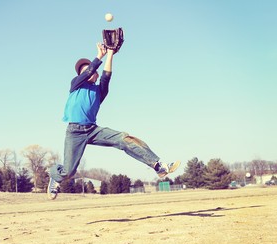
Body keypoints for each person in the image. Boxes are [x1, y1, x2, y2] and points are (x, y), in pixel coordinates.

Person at [47, 43, 180, 199]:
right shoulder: (76, 84)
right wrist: (99, 56)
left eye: (91, 70)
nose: (89, 72)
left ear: (95, 74)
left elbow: (106, 76)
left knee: (125, 139)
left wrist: (110, 53)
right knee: (68, 171)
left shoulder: (99, 91)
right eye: (84, 71)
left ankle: (158, 166)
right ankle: (54, 176)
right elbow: (88, 71)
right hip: (74, 132)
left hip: (92, 130)